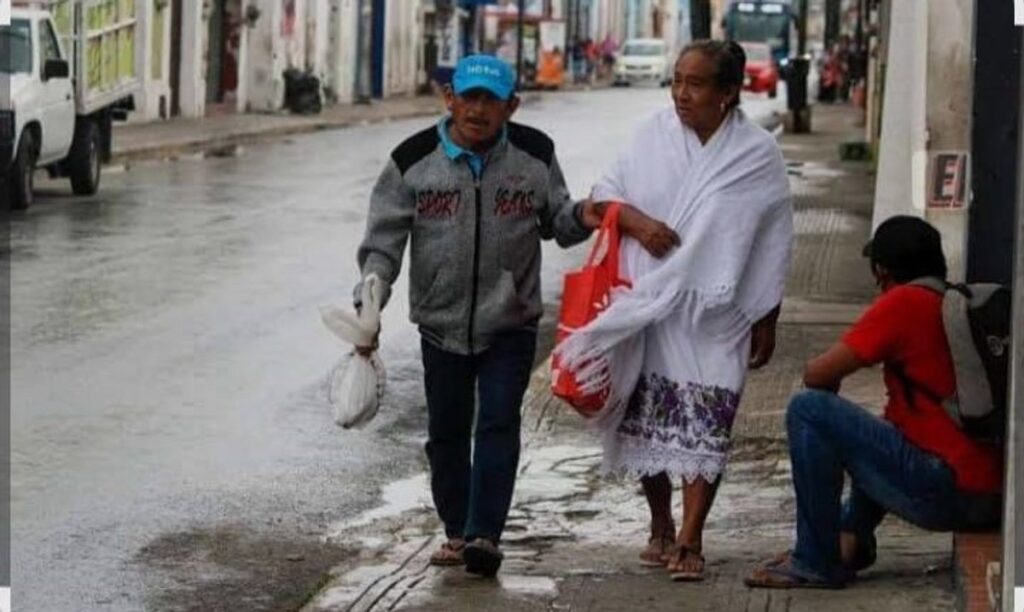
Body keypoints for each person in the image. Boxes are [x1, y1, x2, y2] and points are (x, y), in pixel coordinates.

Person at [353, 54, 674, 577]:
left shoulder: (534, 154)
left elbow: (558, 222)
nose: (478, 110)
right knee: (447, 432)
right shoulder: (412, 160)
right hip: (440, 323)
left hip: (511, 322)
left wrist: (588, 214)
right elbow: (383, 243)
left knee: (499, 422)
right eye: (469, 97)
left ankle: (484, 534)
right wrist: (371, 296)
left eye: (491, 100)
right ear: (450, 98)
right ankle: (457, 530)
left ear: (512, 107)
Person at [555, 40, 793, 582]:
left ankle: (692, 536)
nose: (682, 94)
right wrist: (638, 224)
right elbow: (603, 197)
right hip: (649, 303)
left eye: (696, 84)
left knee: (709, 417)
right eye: (677, 81)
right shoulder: (650, 135)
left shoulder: (757, 154)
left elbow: (774, 238)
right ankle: (661, 523)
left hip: (718, 312)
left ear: (728, 92)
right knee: (648, 417)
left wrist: (767, 313)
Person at [745, 216, 1003, 589]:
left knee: (809, 409)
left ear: (881, 271)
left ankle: (814, 559)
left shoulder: (903, 303)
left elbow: (817, 374)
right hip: (990, 494)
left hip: (948, 490)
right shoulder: (948, 302)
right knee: (882, 433)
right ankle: (849, 539)